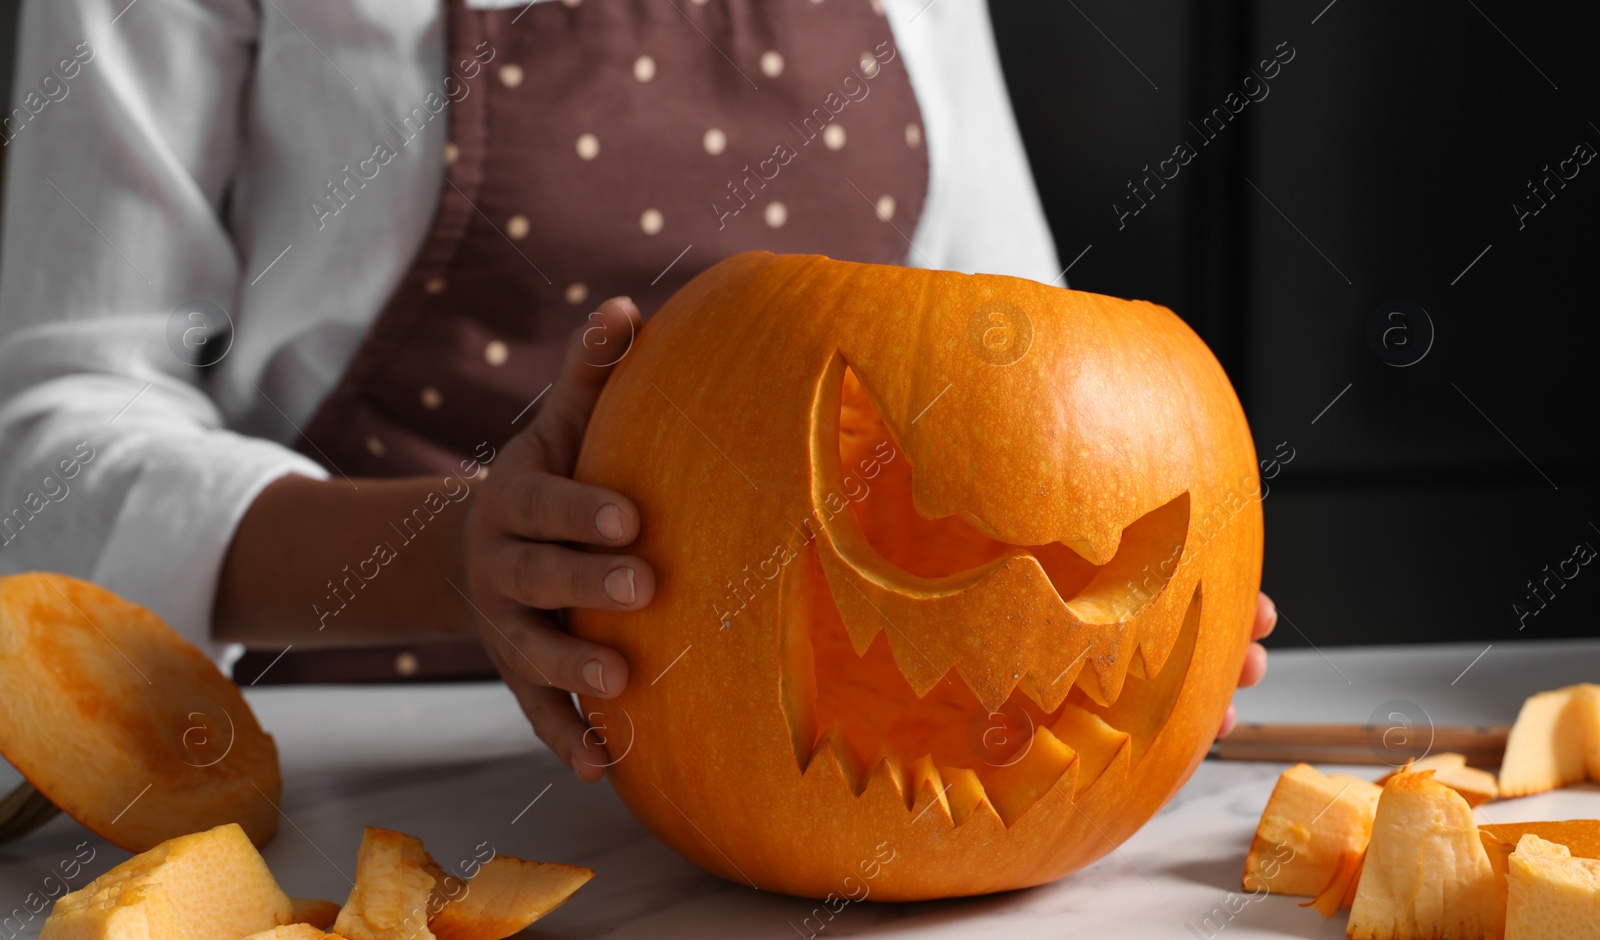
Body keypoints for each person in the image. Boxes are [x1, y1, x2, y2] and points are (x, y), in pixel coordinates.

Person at [0, 0, 1273, 780]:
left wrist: (1110, 618)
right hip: (330, 786)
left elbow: (1022, 375)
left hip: (806, 797)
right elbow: (53, 447)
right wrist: (457, 556)